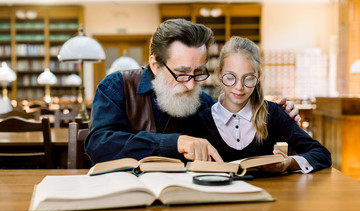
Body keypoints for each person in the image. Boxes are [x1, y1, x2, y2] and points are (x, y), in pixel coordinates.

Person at [85, 18, 300, 164]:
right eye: (181, 73)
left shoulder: (205, 104)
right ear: (155, 65)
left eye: (198, 73)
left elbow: (236, 149)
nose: (190, 85)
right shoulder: (116, 87)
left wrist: (279, 117)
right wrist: (175, 142)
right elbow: (99, 144)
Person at [191, 36, 331, 174]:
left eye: (249, 78)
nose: (239, 87)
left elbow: (322, 154)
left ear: (258, 77)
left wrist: (288, 163)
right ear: (219, 74)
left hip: (266, 194)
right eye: (230, 77)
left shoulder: (272, 113)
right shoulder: (200, 120)